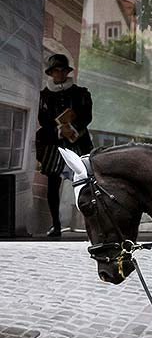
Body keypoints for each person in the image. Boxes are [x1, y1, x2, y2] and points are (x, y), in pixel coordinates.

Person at [36, 53, 93, 237]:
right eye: (55, 71)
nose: (59, 74)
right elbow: (43, 120)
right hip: (55, 145)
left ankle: (91, 224)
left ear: (67, 72)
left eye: (62, 70)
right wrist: (60, 131)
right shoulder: (44, 96)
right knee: (53, 184)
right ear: (51, 73)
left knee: (85, 182)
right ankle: (56, 225)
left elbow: (86, 116)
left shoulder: (80, 93)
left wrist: (73, 130)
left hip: (77, 143)